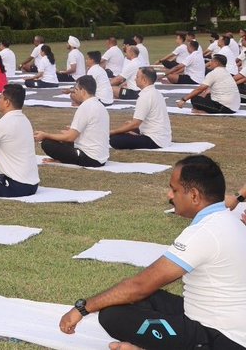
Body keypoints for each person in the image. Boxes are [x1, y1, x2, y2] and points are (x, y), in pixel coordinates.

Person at [57, 156, 246, 349]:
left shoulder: (205, 232)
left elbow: (140, 285)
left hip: (222, 339)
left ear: (195, 196)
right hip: (222, 323)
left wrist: (82, 308)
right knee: (145, 299)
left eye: (174, 190)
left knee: (114, 315)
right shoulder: (229, 220)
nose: (169, 195)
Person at [34, 76, 109, 168]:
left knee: (47, 143)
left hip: (90, 158)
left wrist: (45, 135)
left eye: (76, 90)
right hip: (101, 157)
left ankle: (62, 159)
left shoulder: (85, 107)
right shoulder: (100, 105)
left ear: (83, 91)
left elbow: (70, 137)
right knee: (62, 138)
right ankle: (62, 158)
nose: (74, 93)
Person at [110, 67, 172, 150]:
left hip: (155, 139)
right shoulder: (156, 93)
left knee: (114, 139)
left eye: (137, 77)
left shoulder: (145, 96)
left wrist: (113, 131)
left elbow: (135, 124)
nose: (135, 79)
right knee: (127, 125)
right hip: (163, 137)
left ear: (144, 80)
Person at [177, 54, 241, 114]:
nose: (210, 63)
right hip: (234, 107)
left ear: (216, 63)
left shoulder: (214, 73)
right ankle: (201, 110)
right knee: (207, 95)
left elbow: (200, 89)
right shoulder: (227, 73)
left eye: (211, 61)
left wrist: (184, 99)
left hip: (225, 107)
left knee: (195, 99)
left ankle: (203, 111)